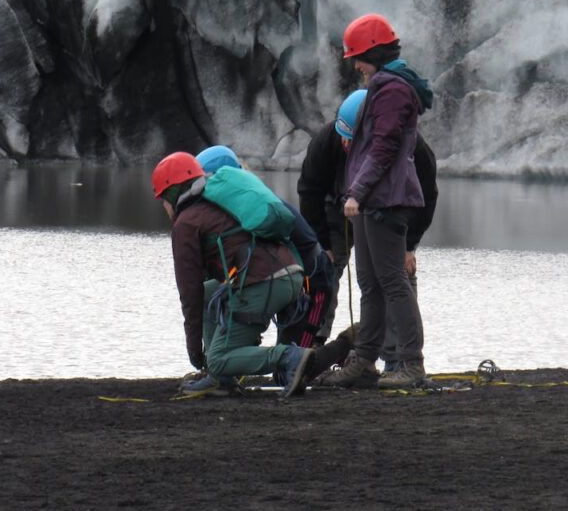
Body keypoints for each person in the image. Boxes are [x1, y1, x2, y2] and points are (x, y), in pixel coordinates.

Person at [317, 13, 434, 389]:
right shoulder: (384, 86)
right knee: (370, 281)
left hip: (385, 199)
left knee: (392, 281)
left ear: (375, 54)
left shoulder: (394, 90)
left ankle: (410, 364)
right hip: (373, 200)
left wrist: (357, 192)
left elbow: (383, 148)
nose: (355, 65)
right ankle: (365, 361)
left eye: (358, 57)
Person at [152, 151, 313, 399]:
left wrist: (194, 349)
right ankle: (220, 377)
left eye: (163, 198)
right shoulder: (218, 202)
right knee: (209, 293)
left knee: (218, 359)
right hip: (289, 275)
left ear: (173, 193)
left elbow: (189, 292)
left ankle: (287, 357)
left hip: (263, 282)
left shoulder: (186, 223)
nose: (163, 206)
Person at [299, 90, 438, 372]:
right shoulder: (328, 141)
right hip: (337, 207)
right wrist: (323, 243)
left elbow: (427, 197)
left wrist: (410, 246)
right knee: (324, 270)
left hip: (386, 208)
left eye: (350, 139)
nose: (344, 143)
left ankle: (397, 359)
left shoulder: (413, 149)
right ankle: (312, 347)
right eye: (343, 136)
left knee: (396, 276)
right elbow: (309, 191)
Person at [195, 145, 358, 383]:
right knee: (280, 363)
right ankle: (220, 370)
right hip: (285, 282)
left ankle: (347, 343)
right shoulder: (247, 203)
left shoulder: (258, 209)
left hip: (312, 285)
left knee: (293, 372)